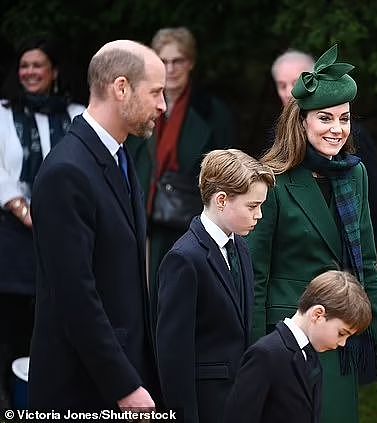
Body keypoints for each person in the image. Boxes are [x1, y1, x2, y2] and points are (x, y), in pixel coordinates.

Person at [247, 44, 377, 423]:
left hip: (341, 331)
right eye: (325, 118)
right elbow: (255, 273)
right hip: (289, 336)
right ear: (301, 122)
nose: (336, 129)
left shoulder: (355, 173)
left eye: (344, 119)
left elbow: (366, 260)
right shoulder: (273, 178)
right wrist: (255, 348)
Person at [28, 40, 166, 410]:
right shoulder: (67, 172)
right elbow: (75, 297)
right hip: (80, 390)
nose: (162, 105)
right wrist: (124, 385)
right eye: (155, 92)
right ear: (121, 87)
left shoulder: (118, 157)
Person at [155, 149, 275, 423]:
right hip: (205, 405)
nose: (259, 215)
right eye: (252, 206)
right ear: (221, 200)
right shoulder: (183, 259)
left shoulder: (241, 247)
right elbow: (174, 356)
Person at [0, 37, 84, 407]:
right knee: (14, 324)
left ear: (54, 71)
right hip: (13, 234)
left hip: (66, 232)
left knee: (59, 316)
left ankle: (53, 397)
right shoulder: (2, 113)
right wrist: (25, 210)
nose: (30, 72)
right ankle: (13, 400)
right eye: (24, 65)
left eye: (38, 65)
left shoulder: (78, 114)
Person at [127, 27, 235, 303]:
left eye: (178, 61)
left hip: (191, 216)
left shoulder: (212, 111)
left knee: (183, 295)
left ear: (191, 63)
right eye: (164, 61)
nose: (171, 68)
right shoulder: (139, 105)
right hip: (145, 214)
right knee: (144, 294)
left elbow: (225, 171)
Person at [270, 49, 377, 254]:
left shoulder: (352, 145)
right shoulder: (276, 158)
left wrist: (363, 256)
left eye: (296, 83)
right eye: (282, 85)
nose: (290, 92)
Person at [223, 270, 373, 423]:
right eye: (342, 333)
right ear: (318, 314)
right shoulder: (265, 354)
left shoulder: (311, 357)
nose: (342, 343)